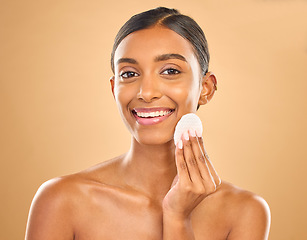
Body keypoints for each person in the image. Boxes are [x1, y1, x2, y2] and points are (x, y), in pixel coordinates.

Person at [25, 7, 271, 240]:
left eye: (170, 71)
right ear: (114, 89)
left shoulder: (245, 211)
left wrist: (177, 218)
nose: (146, 92)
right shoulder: (61, 200)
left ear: (205, 88)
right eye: (130, 74)